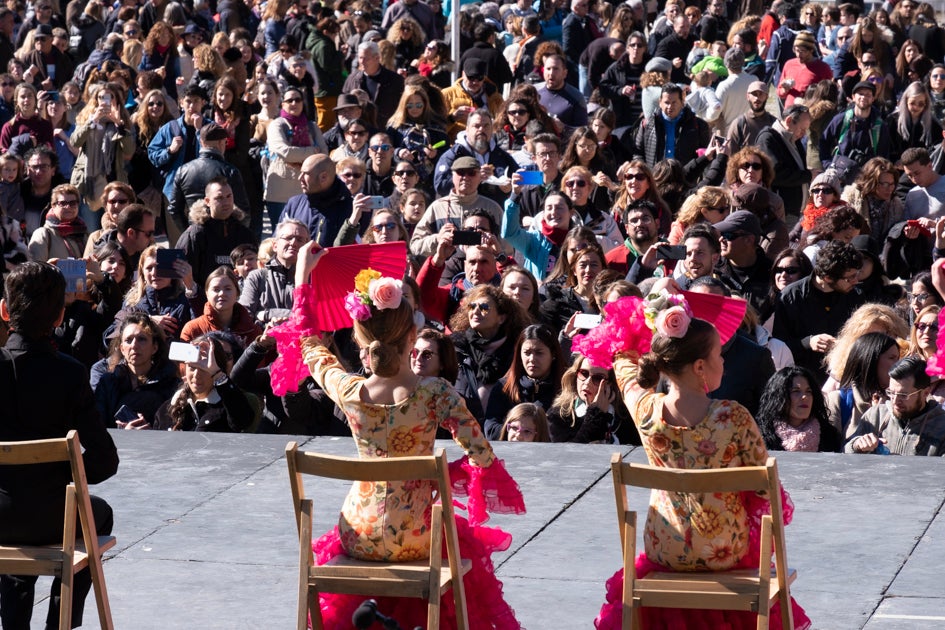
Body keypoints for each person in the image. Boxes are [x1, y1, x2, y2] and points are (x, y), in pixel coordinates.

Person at [291, 242, 525, 629]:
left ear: (359, 336)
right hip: (417, 538)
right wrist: (444, 474)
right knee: (457, 535)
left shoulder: (347, 390)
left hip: (359, 535)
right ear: (414, 332)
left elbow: (307, 340)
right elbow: (483, 455)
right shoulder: (436, 394)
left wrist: (303, 274)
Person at [594, 286, 810, 629]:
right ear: (699, 367)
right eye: (718, 354)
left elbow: (623, 364)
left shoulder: (645, 411)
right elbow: (764, 492)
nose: (724, 360)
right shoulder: (734, 416)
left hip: (663, 551)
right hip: (725, 554)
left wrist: (647, 316)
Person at [0, 262, 118, 630]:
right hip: (53, 515)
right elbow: (104, 460)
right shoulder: (69, 372)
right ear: (60, 317)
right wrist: (65, 476)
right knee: (96, 514)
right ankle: (60, 622)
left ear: (5, 311)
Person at [773, 239, 867, 384]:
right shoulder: (790, 297)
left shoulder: (856, 296)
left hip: (842, 379)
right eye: (850, 278)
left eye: (857, 275)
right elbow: (778, 346)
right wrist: (808, 342)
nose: (856, 281)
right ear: (827, 277)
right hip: (803, 380)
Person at [153, 332, 257, 431]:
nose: (197, 374)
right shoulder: (168, 408)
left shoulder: (230, 404)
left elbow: (242, 421)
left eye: (204, 369)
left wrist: (218, 375)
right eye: (192, 367)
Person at [91, 311, 180, 428]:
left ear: (154, 347)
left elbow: (174, 429)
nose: (134, 345)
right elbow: (97, 426)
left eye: (141, 339)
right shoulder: (108, 382)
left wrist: (150, 433)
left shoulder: (171, 384)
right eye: (128, 340)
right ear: (122, 349)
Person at [845, 356, 945, 455]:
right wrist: (856, 445)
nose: (895, 400)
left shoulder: (941, 425)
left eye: (903, 395)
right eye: (891, 392)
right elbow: (844, 453)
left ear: (925, 393)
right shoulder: (876, 415)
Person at [483, 323, 565, 440]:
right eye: (527, 353)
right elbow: (490, 428)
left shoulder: (565, 390)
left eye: (539, 353)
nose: (532, 359)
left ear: (553, 355)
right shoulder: (504, 387)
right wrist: (517, 431)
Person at [176, 178, 257, 287]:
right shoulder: (194, 235)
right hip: (202, 299)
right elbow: (179, 276)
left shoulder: (245, 234)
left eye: (229, 196)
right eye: (219, 198)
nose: (226, 202)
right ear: (207, 201)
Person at [240, 219, 309, 327]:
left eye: (300, 240)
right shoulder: (257, 277)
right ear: (275, 245)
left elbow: (313, 316)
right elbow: (243, 315)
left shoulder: (313, 278)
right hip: (263, 340)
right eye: (288, 238)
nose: (294, 243)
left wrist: (265, 314)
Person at [757, 365, 841, 452]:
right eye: (796, 391)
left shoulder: (829, 436)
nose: (805, 397)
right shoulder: (760, 437)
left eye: (809, 391)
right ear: (779, 397)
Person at [755, 104, 814, 218]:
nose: (804, 134)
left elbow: (797, 167)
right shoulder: (768, 139)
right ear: (789, 121)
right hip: (780, 211)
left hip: (795, 210)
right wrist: (808, 176)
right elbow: (775, 174)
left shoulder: (794, 138)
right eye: (802, 129)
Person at [27, 183, 86, 262]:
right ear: (53, 206)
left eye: (72, 203)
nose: (68, 207)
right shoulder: (43, 234)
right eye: (63, 203)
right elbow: (36, 269)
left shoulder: (84, 233)